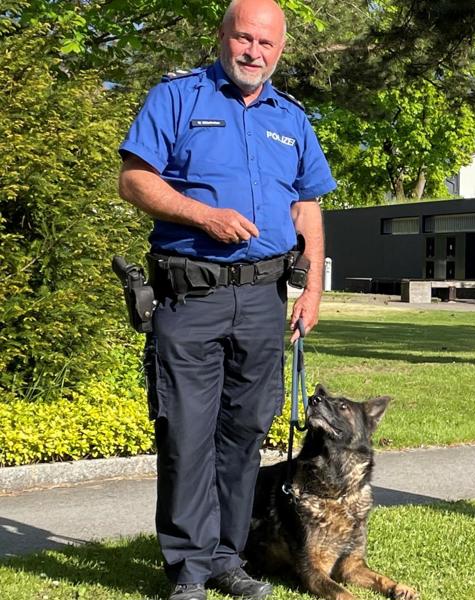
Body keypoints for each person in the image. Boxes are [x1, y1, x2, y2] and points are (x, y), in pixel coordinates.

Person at [117, 1, 335, 598]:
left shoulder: (291, 117)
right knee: (187, 435)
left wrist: (311, 286)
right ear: (223, 37)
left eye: (266, 44)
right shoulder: (178, 99)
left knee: (244, 433)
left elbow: (308, 205)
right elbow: (134, 179)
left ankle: (224, 559)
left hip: (264, 300)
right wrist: (202, 215)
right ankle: (187, 570)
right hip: (193, 296)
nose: (253, 52)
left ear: (280, 49)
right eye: (244, 39)